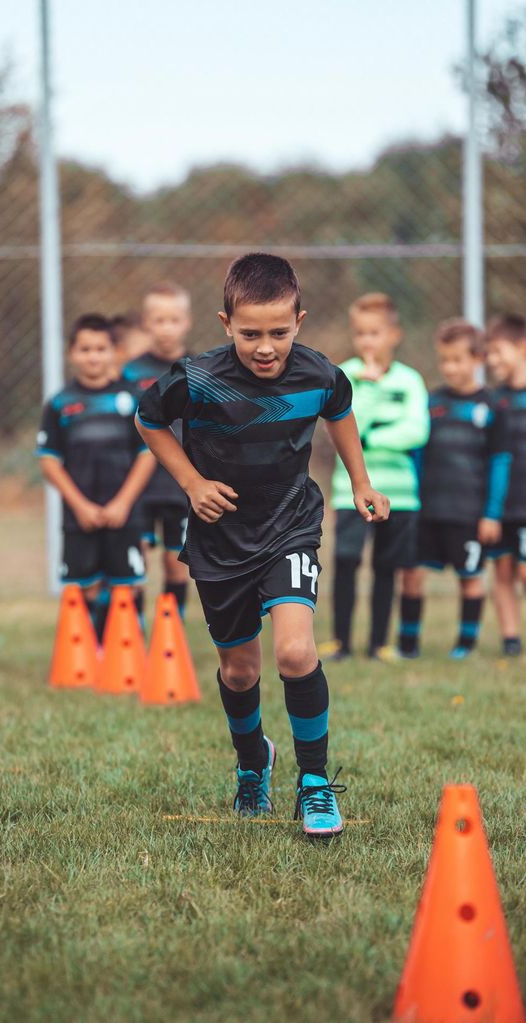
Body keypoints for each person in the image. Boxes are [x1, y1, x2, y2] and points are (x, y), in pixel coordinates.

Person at [136, 253, 389, 838]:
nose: (266, 346)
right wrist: (193, 483)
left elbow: (341, 411)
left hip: (289, 525)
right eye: (250, 333)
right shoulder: (196, 377)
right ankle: (254, 764)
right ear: (226, 324)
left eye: (279, 331)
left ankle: (316, 784)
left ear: (300, 320)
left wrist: (361, 480)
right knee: (240, 671)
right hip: (220, 539)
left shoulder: (320, 373)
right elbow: (149, 420)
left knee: (296, 653)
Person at [36, 313, 155, 641]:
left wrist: (122, 503)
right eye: (85, 349)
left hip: (125, 514)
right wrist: (80, 506)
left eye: (100, 349)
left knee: (127, 586)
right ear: (72, 353)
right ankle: (90, 654)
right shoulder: (60, 404)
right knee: (85, 587)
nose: (93, 356)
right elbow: (49, 462)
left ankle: (128, 656)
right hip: (80, 517)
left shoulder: (133, 399)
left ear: (114, 352)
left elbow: (146, 455)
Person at [397, 319, 511, 659]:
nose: (450, 367)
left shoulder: (492, 407)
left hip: (468, 514)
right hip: (427, 509)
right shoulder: (430, 403)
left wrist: (491, 514)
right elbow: (416, 454)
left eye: (458, 359)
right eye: (445, 359)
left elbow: (500, 464)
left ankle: (465, 645)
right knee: (412, 575)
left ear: (478, 359)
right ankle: (407, 644)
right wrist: (412, 499)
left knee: (470, 578)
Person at [326, 293, 429, 661]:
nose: (367, 341)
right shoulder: (346, 376)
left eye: (375, 332)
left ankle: (378, 644)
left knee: (387, 567)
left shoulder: (410, 380)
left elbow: (416, 430)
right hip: (349, 492)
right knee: (347, 561)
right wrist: (367, 389)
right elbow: (344, 425)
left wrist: (368, 439)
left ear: (394, 334)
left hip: (399, 493)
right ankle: (341, 642)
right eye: (360, 333)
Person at [123, 282, 192, 621]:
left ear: (187, 322)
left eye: (174, 319)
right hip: (140, 488)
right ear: (147, 324)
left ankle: (171, 638)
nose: (166, 328)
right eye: (159, 320)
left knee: (176, 564)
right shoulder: (129, 373)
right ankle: (133, 639)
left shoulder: (199, 369)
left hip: (182, 487)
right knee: (137, 562)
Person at [485, 313, 526, 657]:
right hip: (503, 505)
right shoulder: (496, 401)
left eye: (498, 351)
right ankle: (511, 640)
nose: (492, 360)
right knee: (502, 571)